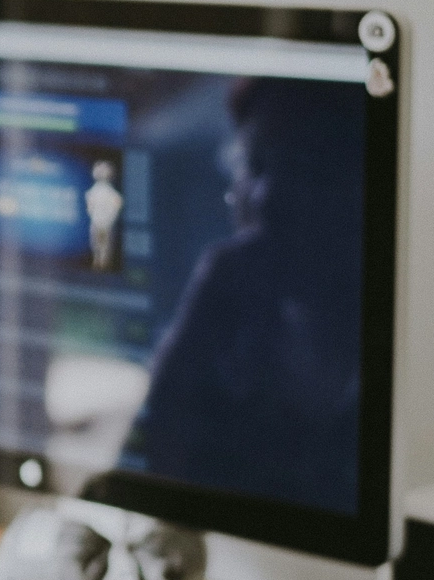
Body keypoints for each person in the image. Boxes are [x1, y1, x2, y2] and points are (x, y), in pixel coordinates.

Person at [119, 77, 367, 515]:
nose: (267, 195)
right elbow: (141, 474)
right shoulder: (227, 297)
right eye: (254, 163)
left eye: (301, 166)